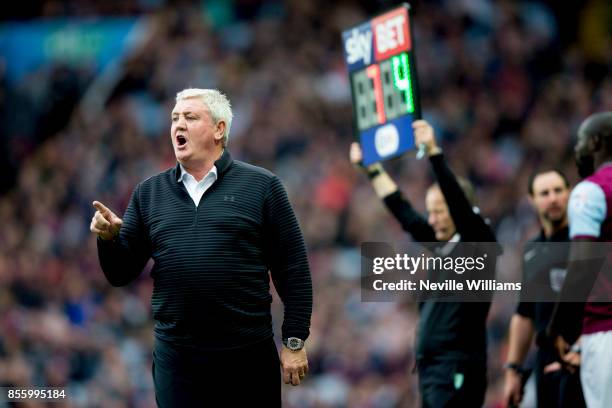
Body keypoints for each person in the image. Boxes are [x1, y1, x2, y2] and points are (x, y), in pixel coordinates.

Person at [90, 88, 313, 407]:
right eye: (174, 118)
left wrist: (294, 339)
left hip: (247, 357)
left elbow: (293, 269)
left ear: (219, 129)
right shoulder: (149, 193)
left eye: (190, 117)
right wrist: (108, 240)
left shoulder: (263, 187)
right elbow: (120, 274)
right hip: (178, 360)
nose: (178, 124)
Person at [350, 120, 498, 407]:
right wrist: (373, 170)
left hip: (457, 368)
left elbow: (458, 203)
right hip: (433, 371)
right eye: (431, 212)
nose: (432, 219)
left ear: (459, 209)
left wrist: (433, 152)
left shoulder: (479, 243)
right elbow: (405, 214)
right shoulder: (445, 247)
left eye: (440, 211)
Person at [503, 169, 585, 408]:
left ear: (569, 193)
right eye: (545, 193)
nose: (553, 198)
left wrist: (581, 350)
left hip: (581, 358)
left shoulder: (585, 243)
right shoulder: (533, 250)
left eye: (558, 191)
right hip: (545, 361)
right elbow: (524, 314)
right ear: (532, 199)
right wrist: (513, 370)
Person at [549, 112, 612, 408]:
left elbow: (582, 266)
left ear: (596, 142)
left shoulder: (590, 191)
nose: (577, 149)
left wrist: (558, 328)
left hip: (605, 329)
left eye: (581, 141)